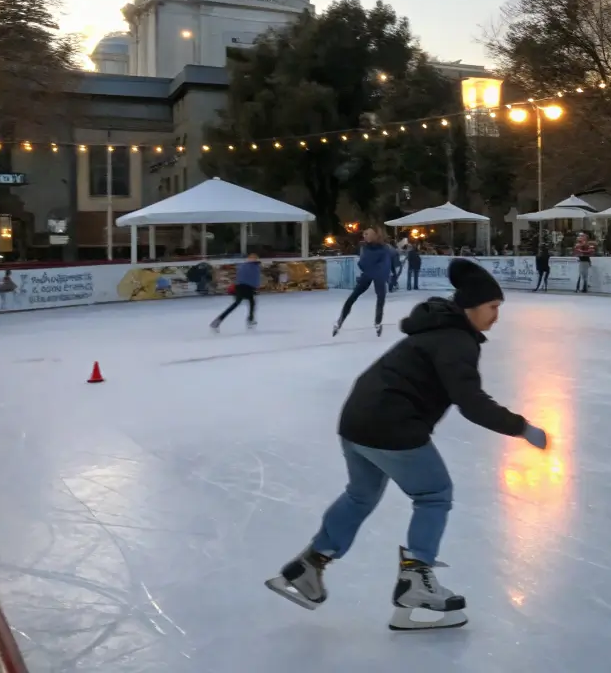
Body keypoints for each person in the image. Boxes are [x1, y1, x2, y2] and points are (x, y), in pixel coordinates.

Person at [267, 259, 548, 630]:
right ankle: (416, 580)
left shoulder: (435, 329)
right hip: (392, 425)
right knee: (434, 494)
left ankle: (309, 564)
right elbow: (470, 401)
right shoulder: (456, 340)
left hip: (356, 419)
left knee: (360, 495)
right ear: (472, 306)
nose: (497, 316)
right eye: (493, 307)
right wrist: (521, 427)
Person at [333, 228, 394, 337]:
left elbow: (387, 263)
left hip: (378, 275)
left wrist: (386, 276)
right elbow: (363, 263)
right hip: (368, 275)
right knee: (352, 297)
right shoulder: (364, 248)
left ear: (375, 235)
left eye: (367, 234)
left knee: (381, 298)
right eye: (363, 234)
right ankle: (340, 320)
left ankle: (378, 322)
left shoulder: (384, 249)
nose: (364, 236)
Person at [212, 253, 262, 331]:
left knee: (250, 302)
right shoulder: (250, 266)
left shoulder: (248, 266)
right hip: (243, 287)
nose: (253, 259)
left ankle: (219, 320)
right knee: (243, 303)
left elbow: (255, 277)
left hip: (244, 287)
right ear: (249, 259)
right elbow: (253, 277)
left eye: (255, 258)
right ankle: (218, 320)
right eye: (252, 258)